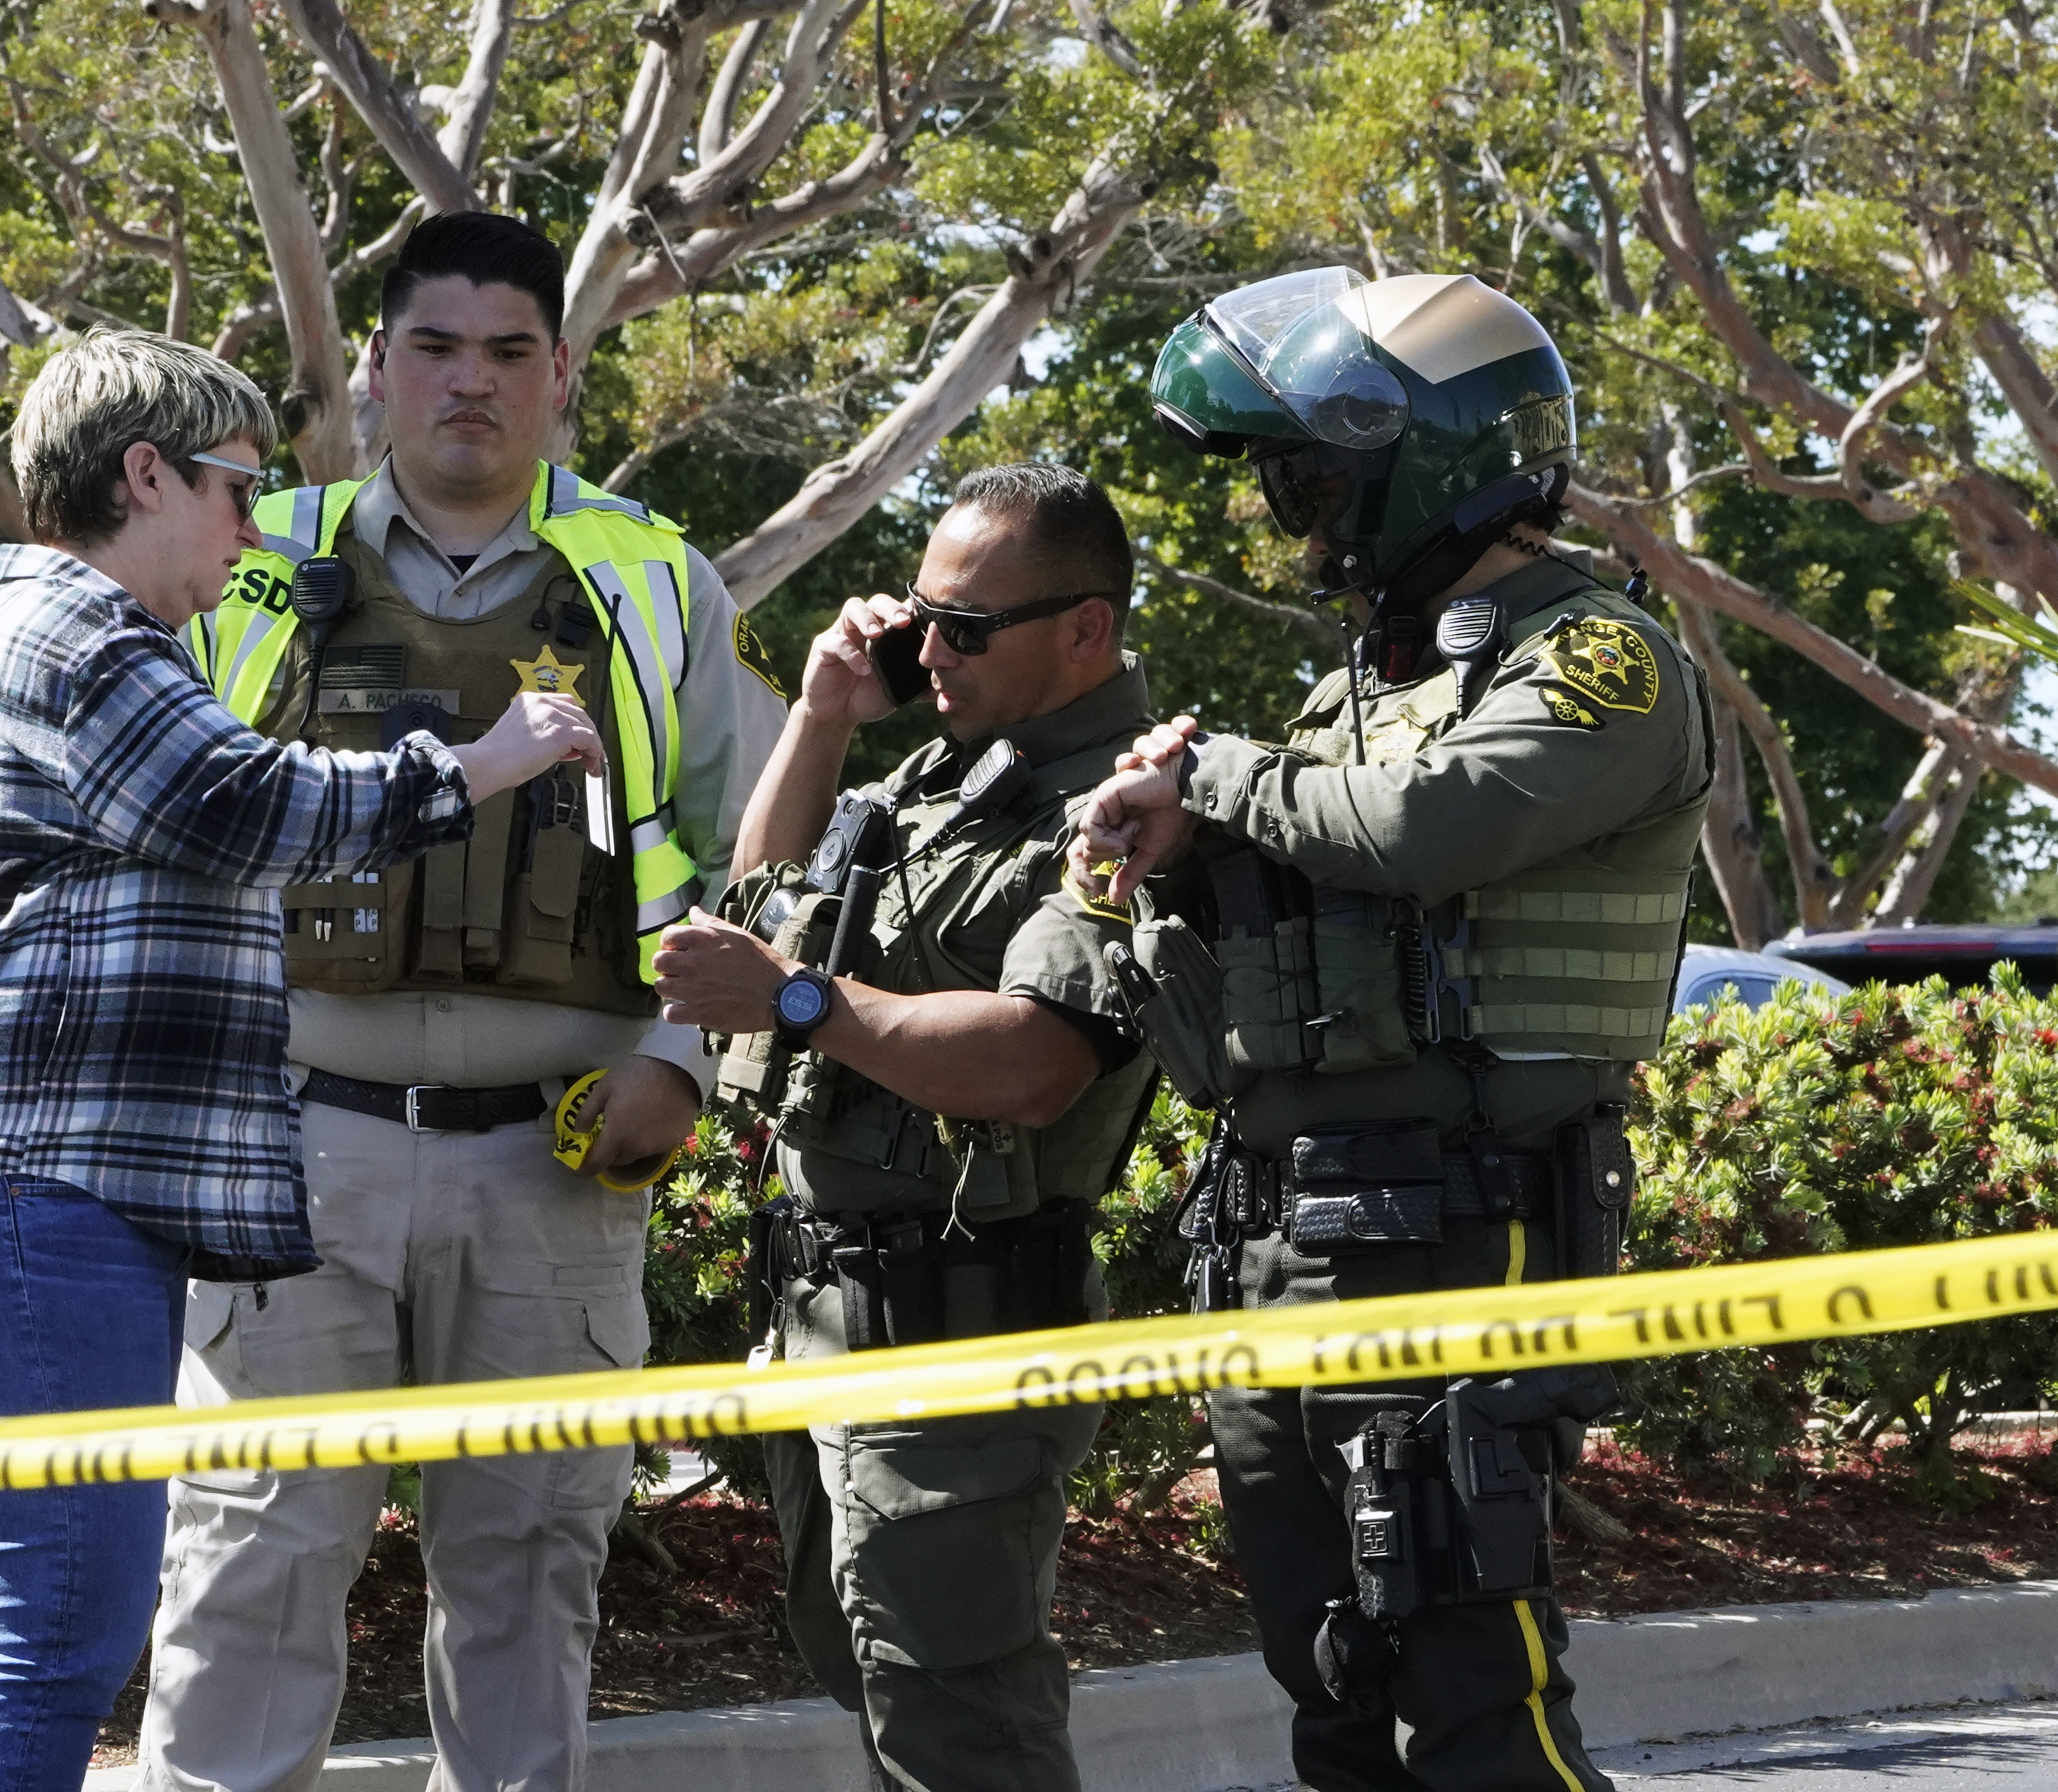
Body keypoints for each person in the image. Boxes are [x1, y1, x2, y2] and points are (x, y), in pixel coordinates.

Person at [0, 330, 605, 1792]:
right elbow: (247, 806)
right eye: (238, 489)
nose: (255, 530)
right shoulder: (83, 637)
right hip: (38, 1203)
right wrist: (483, 761)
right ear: (146, 474)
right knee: (59, 1632)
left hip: (2, 1202)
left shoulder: (41, 630)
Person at [139, 214, 786, 1792]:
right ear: (376, 366)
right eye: (434, 348)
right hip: (293, 1149)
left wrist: (682, 1059)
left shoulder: (654, 578)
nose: (469, 385)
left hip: (555, 1158)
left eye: (508, 353)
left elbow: (763, 845)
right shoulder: (247, 554)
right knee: (247, 1572)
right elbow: (142, 815)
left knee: (527, 1580)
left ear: (561, 372)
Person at [1068, 270, 1716, 1792]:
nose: (1302, 524)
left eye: (1316, 482)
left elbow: (1428, 826)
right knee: (1334, 1676)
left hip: (1457, 1218)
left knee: (1470, 1680)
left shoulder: (1599, 658)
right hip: (1279, 1232)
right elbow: (1301, 884)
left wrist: (1208, 775)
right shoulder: (1357, 691)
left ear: (1425, 458)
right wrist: (1161, 848)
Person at [650, 463, 1162, 1792]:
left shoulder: (1121, 804)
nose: (929, 653)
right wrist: (822, 715)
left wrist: (800, 1000)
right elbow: (767, 900)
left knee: (961, 1727)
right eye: (923, 620)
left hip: (959, 1333)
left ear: (1086, 629)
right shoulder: (953, 771)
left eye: (968, 628)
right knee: (877, 1680)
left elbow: (1034, 1062)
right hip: (834, 1315)